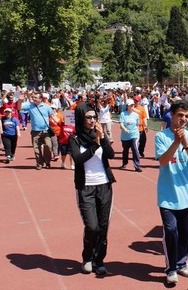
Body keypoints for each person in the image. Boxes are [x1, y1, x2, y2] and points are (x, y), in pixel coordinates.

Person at [155, 100, 188, 285]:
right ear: (172, 115)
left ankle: (182, 263)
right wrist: (176, 142)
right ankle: (171, 268)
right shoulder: (161, 136)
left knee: (185, 233)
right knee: (171, 232)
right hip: (167, 197)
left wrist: (186, 144)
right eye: (180, 115)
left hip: (187, 196)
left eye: (187, 116)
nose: (183, 119)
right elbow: (163, 161)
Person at [70, 105, 115, 276]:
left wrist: (102, 138)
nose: (91, 121)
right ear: (81, 118)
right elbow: (78, 159)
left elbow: (111, 155)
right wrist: (95, 144)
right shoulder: (75, 138)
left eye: (94, 117)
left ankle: (99, 260)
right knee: (92, 227)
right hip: (85, 186)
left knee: (103, 227)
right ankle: (87, 257)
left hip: (104, 185)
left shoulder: (100, 135)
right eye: (88, 117)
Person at [18, 91, 53, 169]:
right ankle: (39, 163)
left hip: (46, 130)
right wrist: (20, 100)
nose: (33, 99)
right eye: (33, 97)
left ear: (40, 99)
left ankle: (47, 161)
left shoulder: (47, 107)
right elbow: (19, 107)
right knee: (36, 148)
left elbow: (53, 116)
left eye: (35, 97)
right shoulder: (30, 106)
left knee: (48, 146)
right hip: (35, 131)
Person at [119, 99, 142, 172]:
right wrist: (125, 129)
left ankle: (137, 166)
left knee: (135, 149)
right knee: (125, 150)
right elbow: (121, 123)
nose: (133, 106)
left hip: (134, 135)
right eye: (131, 105)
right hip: (125, 136)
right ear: (127, 106)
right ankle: (124, 163)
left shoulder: (136, 115)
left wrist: (137, 132)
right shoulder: (123, 114)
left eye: (133, 105)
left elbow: (137, 124)